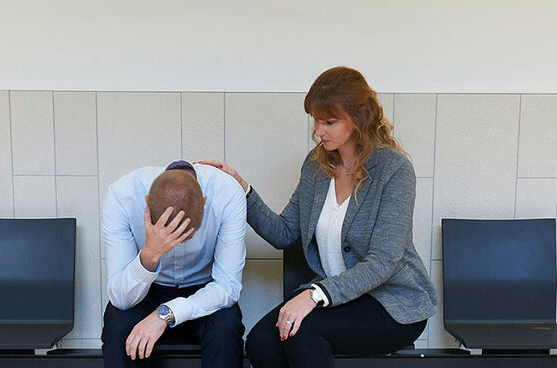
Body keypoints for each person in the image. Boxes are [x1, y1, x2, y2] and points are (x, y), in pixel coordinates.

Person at [200, 66, 437, 368]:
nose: (318, 131)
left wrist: (314, 295)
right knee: (261, 343)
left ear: (360, 116)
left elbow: (383, 262)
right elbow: (283, 233)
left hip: (391, 304)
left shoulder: (394, 170)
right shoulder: (316, 166)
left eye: (329, 121)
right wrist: (242, 190)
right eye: (315, 119)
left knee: (302, 331)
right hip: (335, 298)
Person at [100, 160, 246, 368]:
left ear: (204, 202)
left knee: (226, 327)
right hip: (147, 289)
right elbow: (120, 299)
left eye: (185, 233)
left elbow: (228, 286)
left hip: (205, 288)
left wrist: (165, 314)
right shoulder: (122, 196)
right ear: (146, 203)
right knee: (118, 328)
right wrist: (150, 254)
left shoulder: (227, 193)